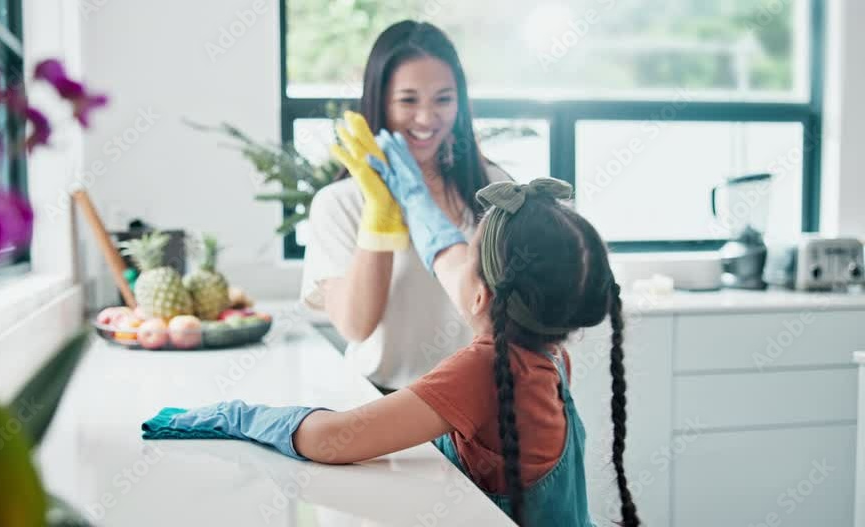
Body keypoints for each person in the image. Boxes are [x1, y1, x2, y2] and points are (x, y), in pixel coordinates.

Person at [141, 126, 640, 526]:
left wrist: (236, 416)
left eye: (472, 258)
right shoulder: (551, 355)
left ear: (482, 293)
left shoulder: (483, 371)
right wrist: (409, 195)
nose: (458, 260)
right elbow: (447, 254)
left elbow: (331, 439)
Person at [299, 20, 511, 393]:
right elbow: (356, 325)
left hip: (480, 406)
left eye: (443, 99)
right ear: (379, 101)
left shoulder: (495, 190)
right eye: (408, 100)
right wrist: (379, 219)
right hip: (381, 404)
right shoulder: (338, 204)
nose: (427, 118)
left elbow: (508, 313)